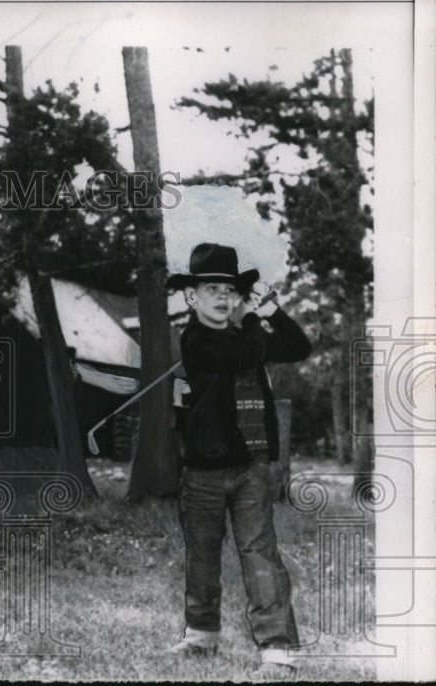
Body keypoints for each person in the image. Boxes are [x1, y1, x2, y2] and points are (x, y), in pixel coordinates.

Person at [165, 243, 311, 679]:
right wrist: (251, 318)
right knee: (203, 555)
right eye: (211, 289)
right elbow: (248, 353)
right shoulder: (196, 340)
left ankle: (278, 649)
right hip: (202, 470)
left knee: (260, 553)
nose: (223, 298)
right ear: (192, 297)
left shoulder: (247, 334)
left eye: (230, 291)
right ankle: (201, 635)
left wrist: (271, 310)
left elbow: (298, 347)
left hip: (251, 467)